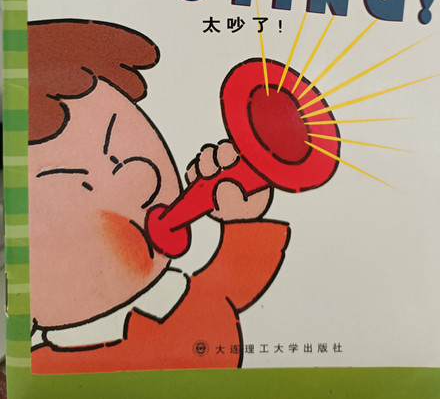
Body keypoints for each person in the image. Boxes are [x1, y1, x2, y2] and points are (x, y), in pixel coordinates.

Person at [28, 19, 289, 373]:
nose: (144, 177)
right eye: (76, 183)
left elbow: (242, 279)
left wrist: (239, 219)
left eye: (119, 143)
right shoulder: (45, 368)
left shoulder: (186, 296)